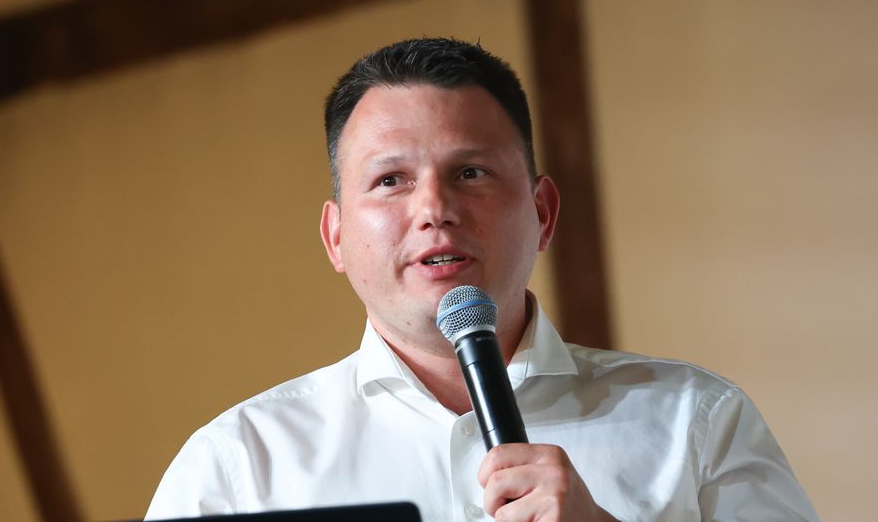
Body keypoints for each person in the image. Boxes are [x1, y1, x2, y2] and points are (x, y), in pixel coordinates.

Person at [146, 38, 817, 521]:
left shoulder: (696, 423)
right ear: (336, 237)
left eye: (470, 172)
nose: (434, 209)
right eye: (390, 181)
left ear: (543, 211)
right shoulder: (237, 468)